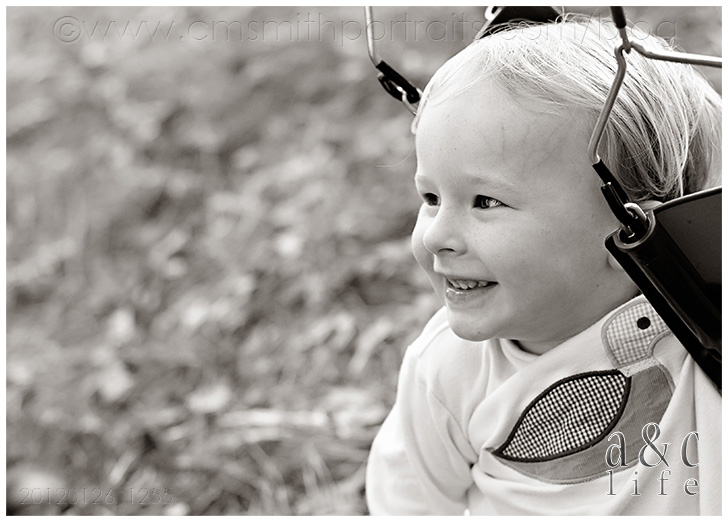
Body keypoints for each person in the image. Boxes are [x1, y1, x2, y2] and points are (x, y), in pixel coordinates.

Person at [365, 14, 721, 515]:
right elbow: (408, 503)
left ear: (633, 229)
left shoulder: (704, 329)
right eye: (431, 198)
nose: (435, 236)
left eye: (486, 202)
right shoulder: (448, 368)